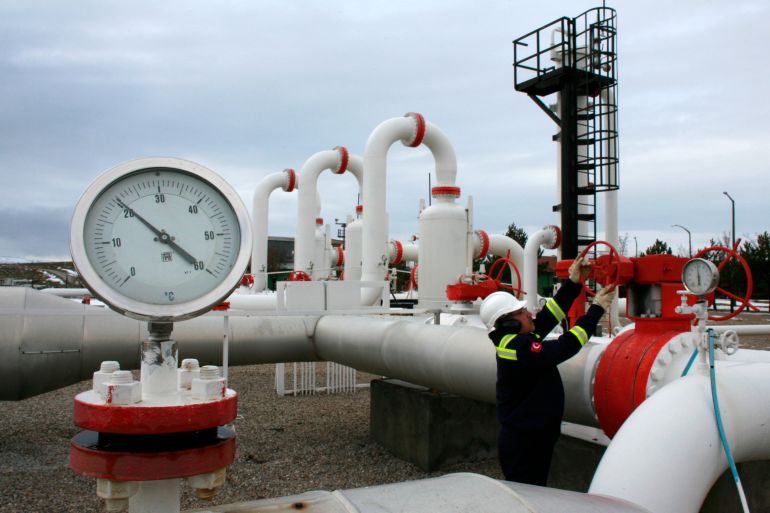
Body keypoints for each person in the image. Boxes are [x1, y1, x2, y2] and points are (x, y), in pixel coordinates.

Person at [479, 256, 615, 486]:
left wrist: (572, 283)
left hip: (531, 435)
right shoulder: (517, 348)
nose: (529, 314)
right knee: (528, 493)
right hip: (525, 442)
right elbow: (565, 346)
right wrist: (596, 311)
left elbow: (548, 316)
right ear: (509, 323)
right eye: (522, 312)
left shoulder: (515, 337)